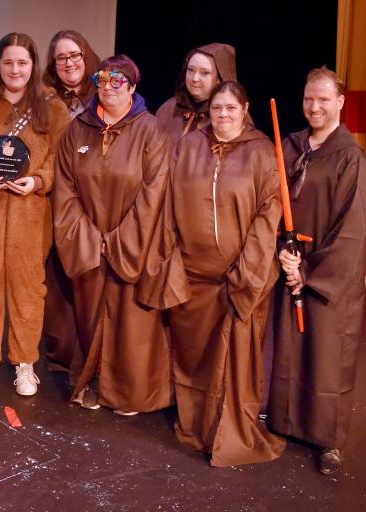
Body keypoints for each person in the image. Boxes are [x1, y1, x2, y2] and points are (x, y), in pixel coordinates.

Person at [148, 80, 286, 466]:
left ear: (245, 109)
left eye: (230, 108)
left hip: (240, 280)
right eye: (216, 108)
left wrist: (246, 274)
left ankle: (232, 432)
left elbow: (268, 213)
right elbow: (170, 203)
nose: (222, 115)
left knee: (235, 361)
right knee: (195, 358)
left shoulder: (261, 153)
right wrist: (173, 258)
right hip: (194, 278)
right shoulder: (190, 145)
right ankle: (198, 428)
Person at [0, 32, 71, 396]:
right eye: (8, 62)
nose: (15, 69)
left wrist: (38, 181)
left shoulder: (52, 107)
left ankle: (24, 363)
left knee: (28, 290)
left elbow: (60, 160)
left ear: (33, 65)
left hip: (30, 213)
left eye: (22, 62)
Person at [53, 55, 170, 413]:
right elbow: (65, 188)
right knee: (89, 318)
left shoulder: (149, 129)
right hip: (87, 242)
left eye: (117, 81)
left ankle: (126, 393)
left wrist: (119, 240)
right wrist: (90, 239)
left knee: (130, 323)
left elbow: (155, 190)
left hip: (132, 242)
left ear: (133, 87)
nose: (107, 87)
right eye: (102, 80)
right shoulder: (78, 129)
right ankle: (92, 382)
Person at [268, 66, 366, 475]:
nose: (315, 107)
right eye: (310, 99)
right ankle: (285, 421)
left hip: (327, 272)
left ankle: (327, 440)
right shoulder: (290, 147)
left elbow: (353, 231)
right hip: (287, 259)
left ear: (340, 102)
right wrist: (282, 252)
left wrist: (307, 270)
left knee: (327, 352)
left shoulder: (350, 157)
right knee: (289, 346)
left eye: (324, 99)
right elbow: (271, 202)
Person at [39, 29, 101, 377]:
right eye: (61, 57)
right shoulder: (43, 99)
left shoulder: (105, 93)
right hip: (52, 200)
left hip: (92, 202)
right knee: (56, 284)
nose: (68, 63)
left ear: (86, 56)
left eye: (75, 55)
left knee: (89, 283)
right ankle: (61, 357)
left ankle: (92, 358)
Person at [156, 43, 237, 149]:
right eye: (191, 70)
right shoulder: (168, 109)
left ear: (219, 79)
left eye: (204, 73)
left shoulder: (232, 116)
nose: (195, 78)